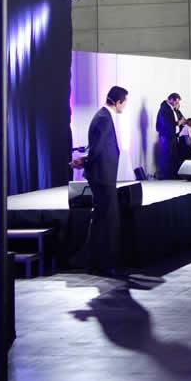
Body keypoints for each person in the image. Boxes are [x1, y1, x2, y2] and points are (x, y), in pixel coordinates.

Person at [81, 86, 128, 276]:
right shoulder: (103, 118)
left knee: (102, 220)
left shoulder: (102, 116)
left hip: (103, 176)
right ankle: (105, 264)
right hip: (102, 177)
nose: (125, 106)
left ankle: (97, 263)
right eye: (125, 102)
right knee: (107, 221)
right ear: (118, 102)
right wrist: (84, 161)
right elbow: (97, 148)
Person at [156, 92, 182, 179]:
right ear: (171, 99)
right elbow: (167, 123)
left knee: (172, 156)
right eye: (176, 102)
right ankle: (166, 176)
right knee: (166, 156)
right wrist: (178, 123)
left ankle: (171, 175)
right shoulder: (165, 109)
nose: (177, 104)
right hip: (167, 137)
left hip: (171, 136)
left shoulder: (171, 109)